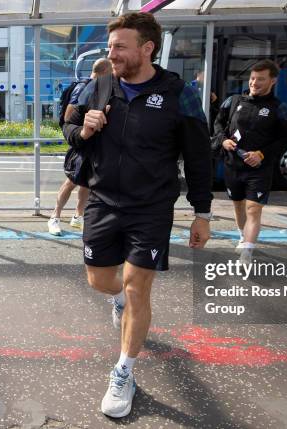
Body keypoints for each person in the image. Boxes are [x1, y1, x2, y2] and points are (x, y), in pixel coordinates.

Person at [62, 12, 212, 418]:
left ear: (147, 48)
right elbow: (68, 130)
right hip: (102, 201)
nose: (112, 54)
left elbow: (199, 155)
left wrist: (202, 212)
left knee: (136, 289)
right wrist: (85, 129)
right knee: (101, 281)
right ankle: (119, 302)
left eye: (120, 47)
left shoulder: (179, 93)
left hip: (151, 208)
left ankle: (124, 371)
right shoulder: (97, 86)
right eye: (110, 47)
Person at [211, 59, 287, 265]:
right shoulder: (233, 101)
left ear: (273, 81)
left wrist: (262, 154)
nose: (254, 83)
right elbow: (218, 123)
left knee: (253, 209)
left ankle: (247, 252)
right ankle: (242, 235)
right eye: (252, 78)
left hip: (259, 169)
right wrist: (224, 140)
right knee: (238, 205)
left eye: (260, 79)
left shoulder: (278, 108)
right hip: (232, 165)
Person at [48, 58, 113, 236]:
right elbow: (70, 117)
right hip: (82, 142)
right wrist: (86, 126)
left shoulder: (97, 87)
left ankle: (78, 216)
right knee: (72, 181)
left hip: (93, 142)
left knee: (86, 182)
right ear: (106, 72)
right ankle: (55, 217)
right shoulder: (85, 87)